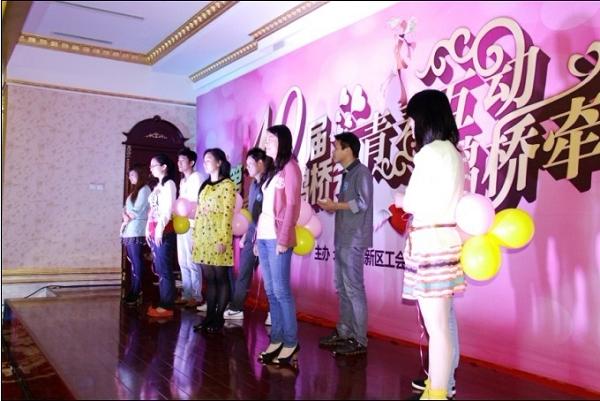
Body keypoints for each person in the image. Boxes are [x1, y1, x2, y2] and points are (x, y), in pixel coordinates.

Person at [396, 89, 466, 400]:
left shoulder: (429, 153)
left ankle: (436, 392)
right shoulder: (453, 153)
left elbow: (412, 201)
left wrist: (400, 198)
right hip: (446, 243)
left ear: (424, 118)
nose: (410, 126)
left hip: (430, 245)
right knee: (444, 324)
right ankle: (442, 385)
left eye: (412, 119)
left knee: (436, 328)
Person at [317, 132, 373, 356]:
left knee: (354, 288)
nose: (333, 152)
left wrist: (336, 206)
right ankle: (344, 332)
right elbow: (350, 206)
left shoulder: (362, 172)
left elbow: (363, 203)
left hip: (354, 238)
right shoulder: (347, 173)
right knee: (342, 288)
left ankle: (359, 340)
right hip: (342, 238)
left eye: (336, 147)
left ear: (348, 149)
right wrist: (334, 207)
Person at [256, 124, 302, 366]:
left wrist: (284, 239)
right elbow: (264, 208)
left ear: (282, 142)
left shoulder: (291, 167)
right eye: (266, 140)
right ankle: (277, 339)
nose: (267, 144)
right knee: (271, 291)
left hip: (278, 237)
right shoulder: (272, 169)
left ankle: (291, 342)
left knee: (282, 291)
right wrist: (257, 238)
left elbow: (292, 205)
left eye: (271, 140)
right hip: (264, 236)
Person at [191, 148, 236, 333]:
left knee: (221, 278)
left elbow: (227, 215)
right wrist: (195, 238)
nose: (205, 163)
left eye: (209, 159)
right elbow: (199, 213)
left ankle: (218, 318)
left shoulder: (228, 185)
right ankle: (209, 317)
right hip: (203, 238)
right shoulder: (205, 185)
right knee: (209, 280)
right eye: (204, 160)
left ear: (219, 162)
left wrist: (223, 239)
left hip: (218, 238)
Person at [223, 147, 268, 320]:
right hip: (251, 235)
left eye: (250, 163)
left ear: (260, 163)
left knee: (270, 279)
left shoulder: (269, 184)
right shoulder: (254, 185)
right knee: (243, 272)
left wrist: (257, 237)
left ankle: (273, 313)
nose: (247, 167)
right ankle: (237, 307)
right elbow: (251, 214)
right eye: (246, 164)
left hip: (266, 235)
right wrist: (246, 235)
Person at [145, 154, 178, 318]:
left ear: (164, 167)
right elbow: (152, 210)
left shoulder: (169, 184)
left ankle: (167, 305)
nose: (151, 168)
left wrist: (159, 230)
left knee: (164, 268)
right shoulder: (157, 185)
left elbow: (167, 210)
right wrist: (147, 229)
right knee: (159, 267)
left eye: (154, 165)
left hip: (164, 230)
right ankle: (163, 302)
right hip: (154, 229)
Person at [175, 147, 204, 309]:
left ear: (191, 162)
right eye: (178, 160)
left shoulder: (197, 178)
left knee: (193, 261)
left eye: (182, 160)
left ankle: (196, 295)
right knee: (183, 260)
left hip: (193, 224)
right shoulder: (183, 181)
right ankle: (186, 294)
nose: (179, 163)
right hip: (181, 224)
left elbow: (196, 202)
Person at [120, 165, 151, 306]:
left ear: (140, 175)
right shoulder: (134, 191)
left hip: (137, 228)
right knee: (133, 261)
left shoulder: (145, 190)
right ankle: (134, 289)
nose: (130, 178)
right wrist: (125, 215)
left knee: (137, 260)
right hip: (129, 228)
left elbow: (137, 210)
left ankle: (137, 290)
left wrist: (128, 216)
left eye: (133, 175)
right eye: (129, 175)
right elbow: (125, 208)